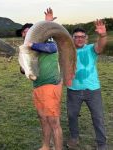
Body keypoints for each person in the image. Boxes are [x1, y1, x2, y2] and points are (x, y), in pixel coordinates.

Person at [17, 8, 63, 150]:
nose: (25, 34)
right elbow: (22, 70)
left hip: (50, 85)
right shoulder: (26, 50)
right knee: (43, 119)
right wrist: (24, 68)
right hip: (37, 86)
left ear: (34, 33)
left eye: (28, 31)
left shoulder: (46, 41)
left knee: (53, 121)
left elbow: (53, 48)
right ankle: (45, 146)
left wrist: (33, 43)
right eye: (23, 33)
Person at [66, 20, 108, 150]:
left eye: (82, 37)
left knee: (98, 117)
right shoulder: (67, 50)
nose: (79, 39)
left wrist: (102, 36)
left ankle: (101, 144)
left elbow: (100, 47)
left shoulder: (90, 48)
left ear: (86, 38)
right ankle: (74, 138)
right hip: (73, 90)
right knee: (72, 115)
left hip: (92, 90)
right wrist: (48, 24)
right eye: (76, 37)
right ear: (72, 38)